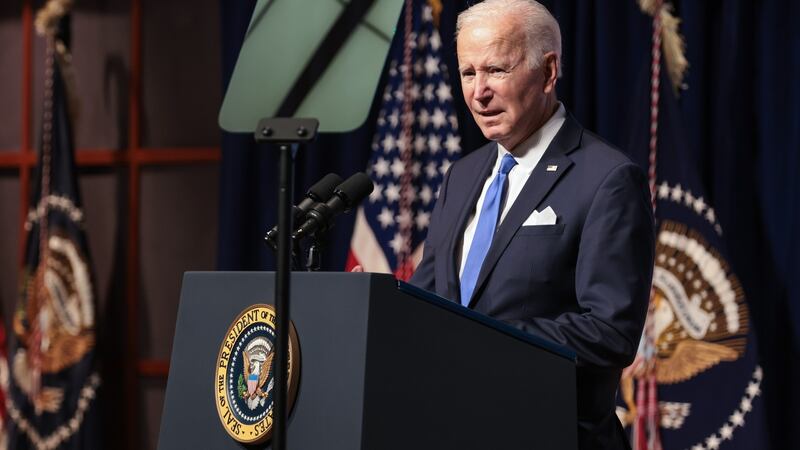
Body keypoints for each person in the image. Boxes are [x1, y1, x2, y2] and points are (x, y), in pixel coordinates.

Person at [408, 0, 655, 448]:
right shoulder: (460, 176)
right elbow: (432, 303)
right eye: (468, 73)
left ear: (548, 71)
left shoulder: (607, 178)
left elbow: (610, 332)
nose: (478, 92)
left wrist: (480, 338)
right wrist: (386, 307)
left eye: (496, 71)